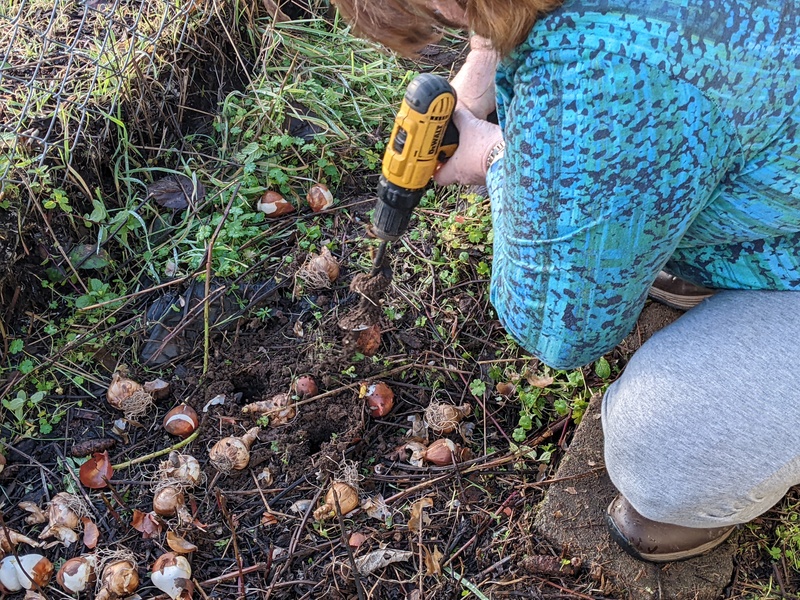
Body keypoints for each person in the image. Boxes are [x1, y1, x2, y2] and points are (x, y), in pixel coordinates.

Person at [332, 0, 800, 564]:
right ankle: (710, 243)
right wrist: (486, 54)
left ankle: (689, 492)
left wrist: (493, 158)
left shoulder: (603, 72)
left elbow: (563, 331)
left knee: (665, 450)